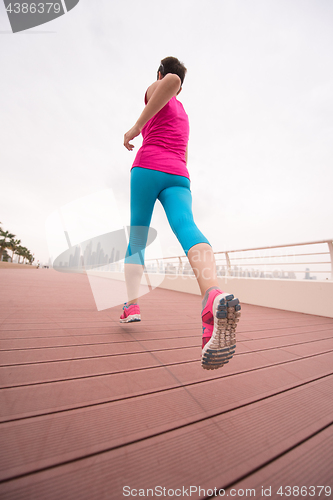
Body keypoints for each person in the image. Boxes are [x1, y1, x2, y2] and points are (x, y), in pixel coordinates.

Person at [121, 57, 241, 370]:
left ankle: (131, 305)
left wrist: (135, 127)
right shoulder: (183, 114)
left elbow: (171, 81)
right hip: (179, 174)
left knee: (138, 236)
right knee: (187, 226)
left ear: (159, 75)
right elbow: (185, 154)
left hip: (148, 166)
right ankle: (212, 295)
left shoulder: (163, 85)